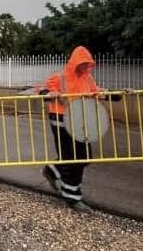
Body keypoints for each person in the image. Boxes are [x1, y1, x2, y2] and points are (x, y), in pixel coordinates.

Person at [38, 46, 123, 212]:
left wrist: (115, 94)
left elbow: (96, 92)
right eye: (82, 64)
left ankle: (52, 170)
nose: (85, 67)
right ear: (75, 63)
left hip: (81, 121)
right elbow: (41, 89)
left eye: (87, 64)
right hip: (61, 119)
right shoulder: (60, 77)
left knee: (84, 157)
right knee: (73, 158)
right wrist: (48, 93)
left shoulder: (87, 78)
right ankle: (72, 197)